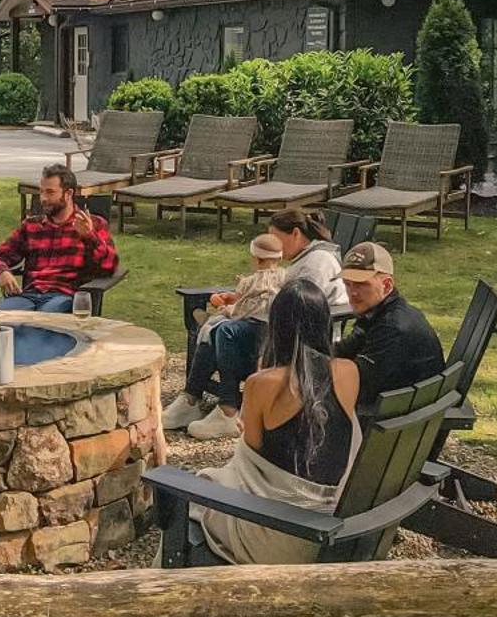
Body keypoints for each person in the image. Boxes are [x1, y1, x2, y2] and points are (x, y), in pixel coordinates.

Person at [180, 281, 361, 565]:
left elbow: (248, 459)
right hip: (327, 526)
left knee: (190, 490)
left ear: (275, 327)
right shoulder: (349, 372)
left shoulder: (262, 384)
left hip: (274, 534)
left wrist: (263, 374)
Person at [164, 233, 288, 439]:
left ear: (256, 259)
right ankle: (192, 400)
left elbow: (240, 309)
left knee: (221, 328)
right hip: (258, 335)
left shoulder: (251, 281)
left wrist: (220, 303)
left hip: (259, 344)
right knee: (219, 329)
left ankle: (226, 410)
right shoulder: (286, 278)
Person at [0, 164, 120, 312]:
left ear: (68, 194)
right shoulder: (31, 226)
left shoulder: (93, 224)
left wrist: (89, 237)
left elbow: (109, 267)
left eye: (50, 192)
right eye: (41, 192)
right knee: (2, 318)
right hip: (28, 295)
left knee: (47, 320)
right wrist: (2, 272)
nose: (43, 198)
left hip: (63, 296)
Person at [334, 242, 445, 406]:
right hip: (399, 409)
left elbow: (359, 384)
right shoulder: (377, 313)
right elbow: (345, 350)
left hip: (397, 421)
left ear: (387, 285)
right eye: (347, 284)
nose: (352, 293)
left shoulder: (393, 328)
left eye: (361, 284)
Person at [265, 208, 346, 309]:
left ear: (296, 233)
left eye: (275, 239)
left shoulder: (318, 262)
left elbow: (299, 303)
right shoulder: (307, 258)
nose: (273, 245)